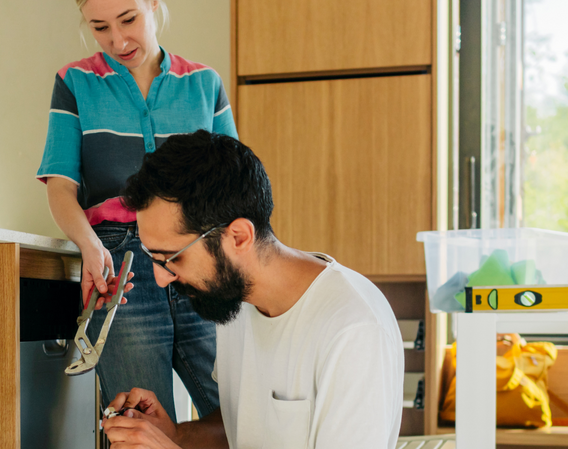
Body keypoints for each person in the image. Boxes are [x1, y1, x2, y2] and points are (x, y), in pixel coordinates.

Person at [102, 130, 404, 448]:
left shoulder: (354, 329)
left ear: (239, 237)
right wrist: (174, 435)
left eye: (171, 258)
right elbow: (240, 427)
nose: (161, 279)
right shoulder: (235, 302)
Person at [36, 0, 236, 420]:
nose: (118, 40)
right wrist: (90, 247)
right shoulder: (75, 82)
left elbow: (232, 187)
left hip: (200, 257)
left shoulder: (204, 83)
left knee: (239, 416)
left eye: (129, 19)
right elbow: (60, 187)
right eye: (100, 27)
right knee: (143, 429)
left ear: (154, 6)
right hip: (118, 267)